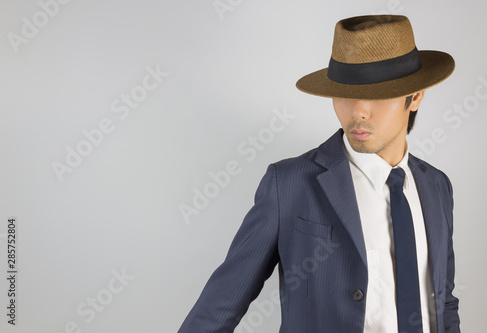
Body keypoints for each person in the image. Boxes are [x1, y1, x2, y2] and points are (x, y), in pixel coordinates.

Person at [179, 14, 460, 333]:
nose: (358, 111)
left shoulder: (437, 186)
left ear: (416, 96)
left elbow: (442, 301)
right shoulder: (289, 184)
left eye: (377, 94)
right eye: (345, 92)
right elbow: (220, 306)